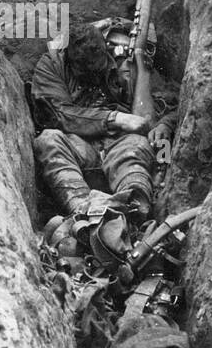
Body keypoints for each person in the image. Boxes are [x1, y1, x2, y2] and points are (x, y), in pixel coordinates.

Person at [30, 19, 177, 218]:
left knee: (140, 149)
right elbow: (60, 115)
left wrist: (165, 124)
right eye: (84, 71)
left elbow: (175, 105)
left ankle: (135, 209)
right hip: (79, 148)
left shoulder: (128, 62)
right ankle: (83, 213)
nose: (92, 75)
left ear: (105, 50)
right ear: (70, 58)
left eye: (97, 67)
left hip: (124, 144)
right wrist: (115, 118)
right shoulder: (52, 65)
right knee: (48, 140)